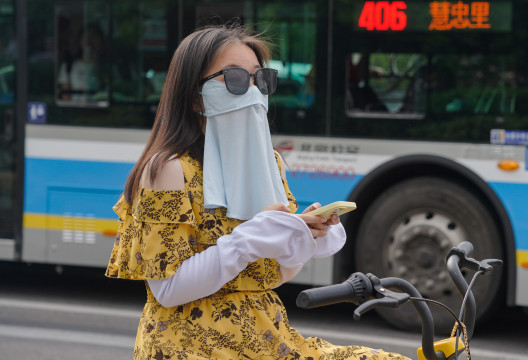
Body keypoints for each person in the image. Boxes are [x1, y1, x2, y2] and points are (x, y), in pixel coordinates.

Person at [105, 24, 409, 360]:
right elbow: (168, 289)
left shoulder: (271, 163)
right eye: (234, 79)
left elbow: (273, 275)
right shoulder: (168, 169)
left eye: (259, 79)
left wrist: (302, 237)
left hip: (266, 337)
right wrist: (248, 240)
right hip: (190, 347)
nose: (252, 91)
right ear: (194, 96)